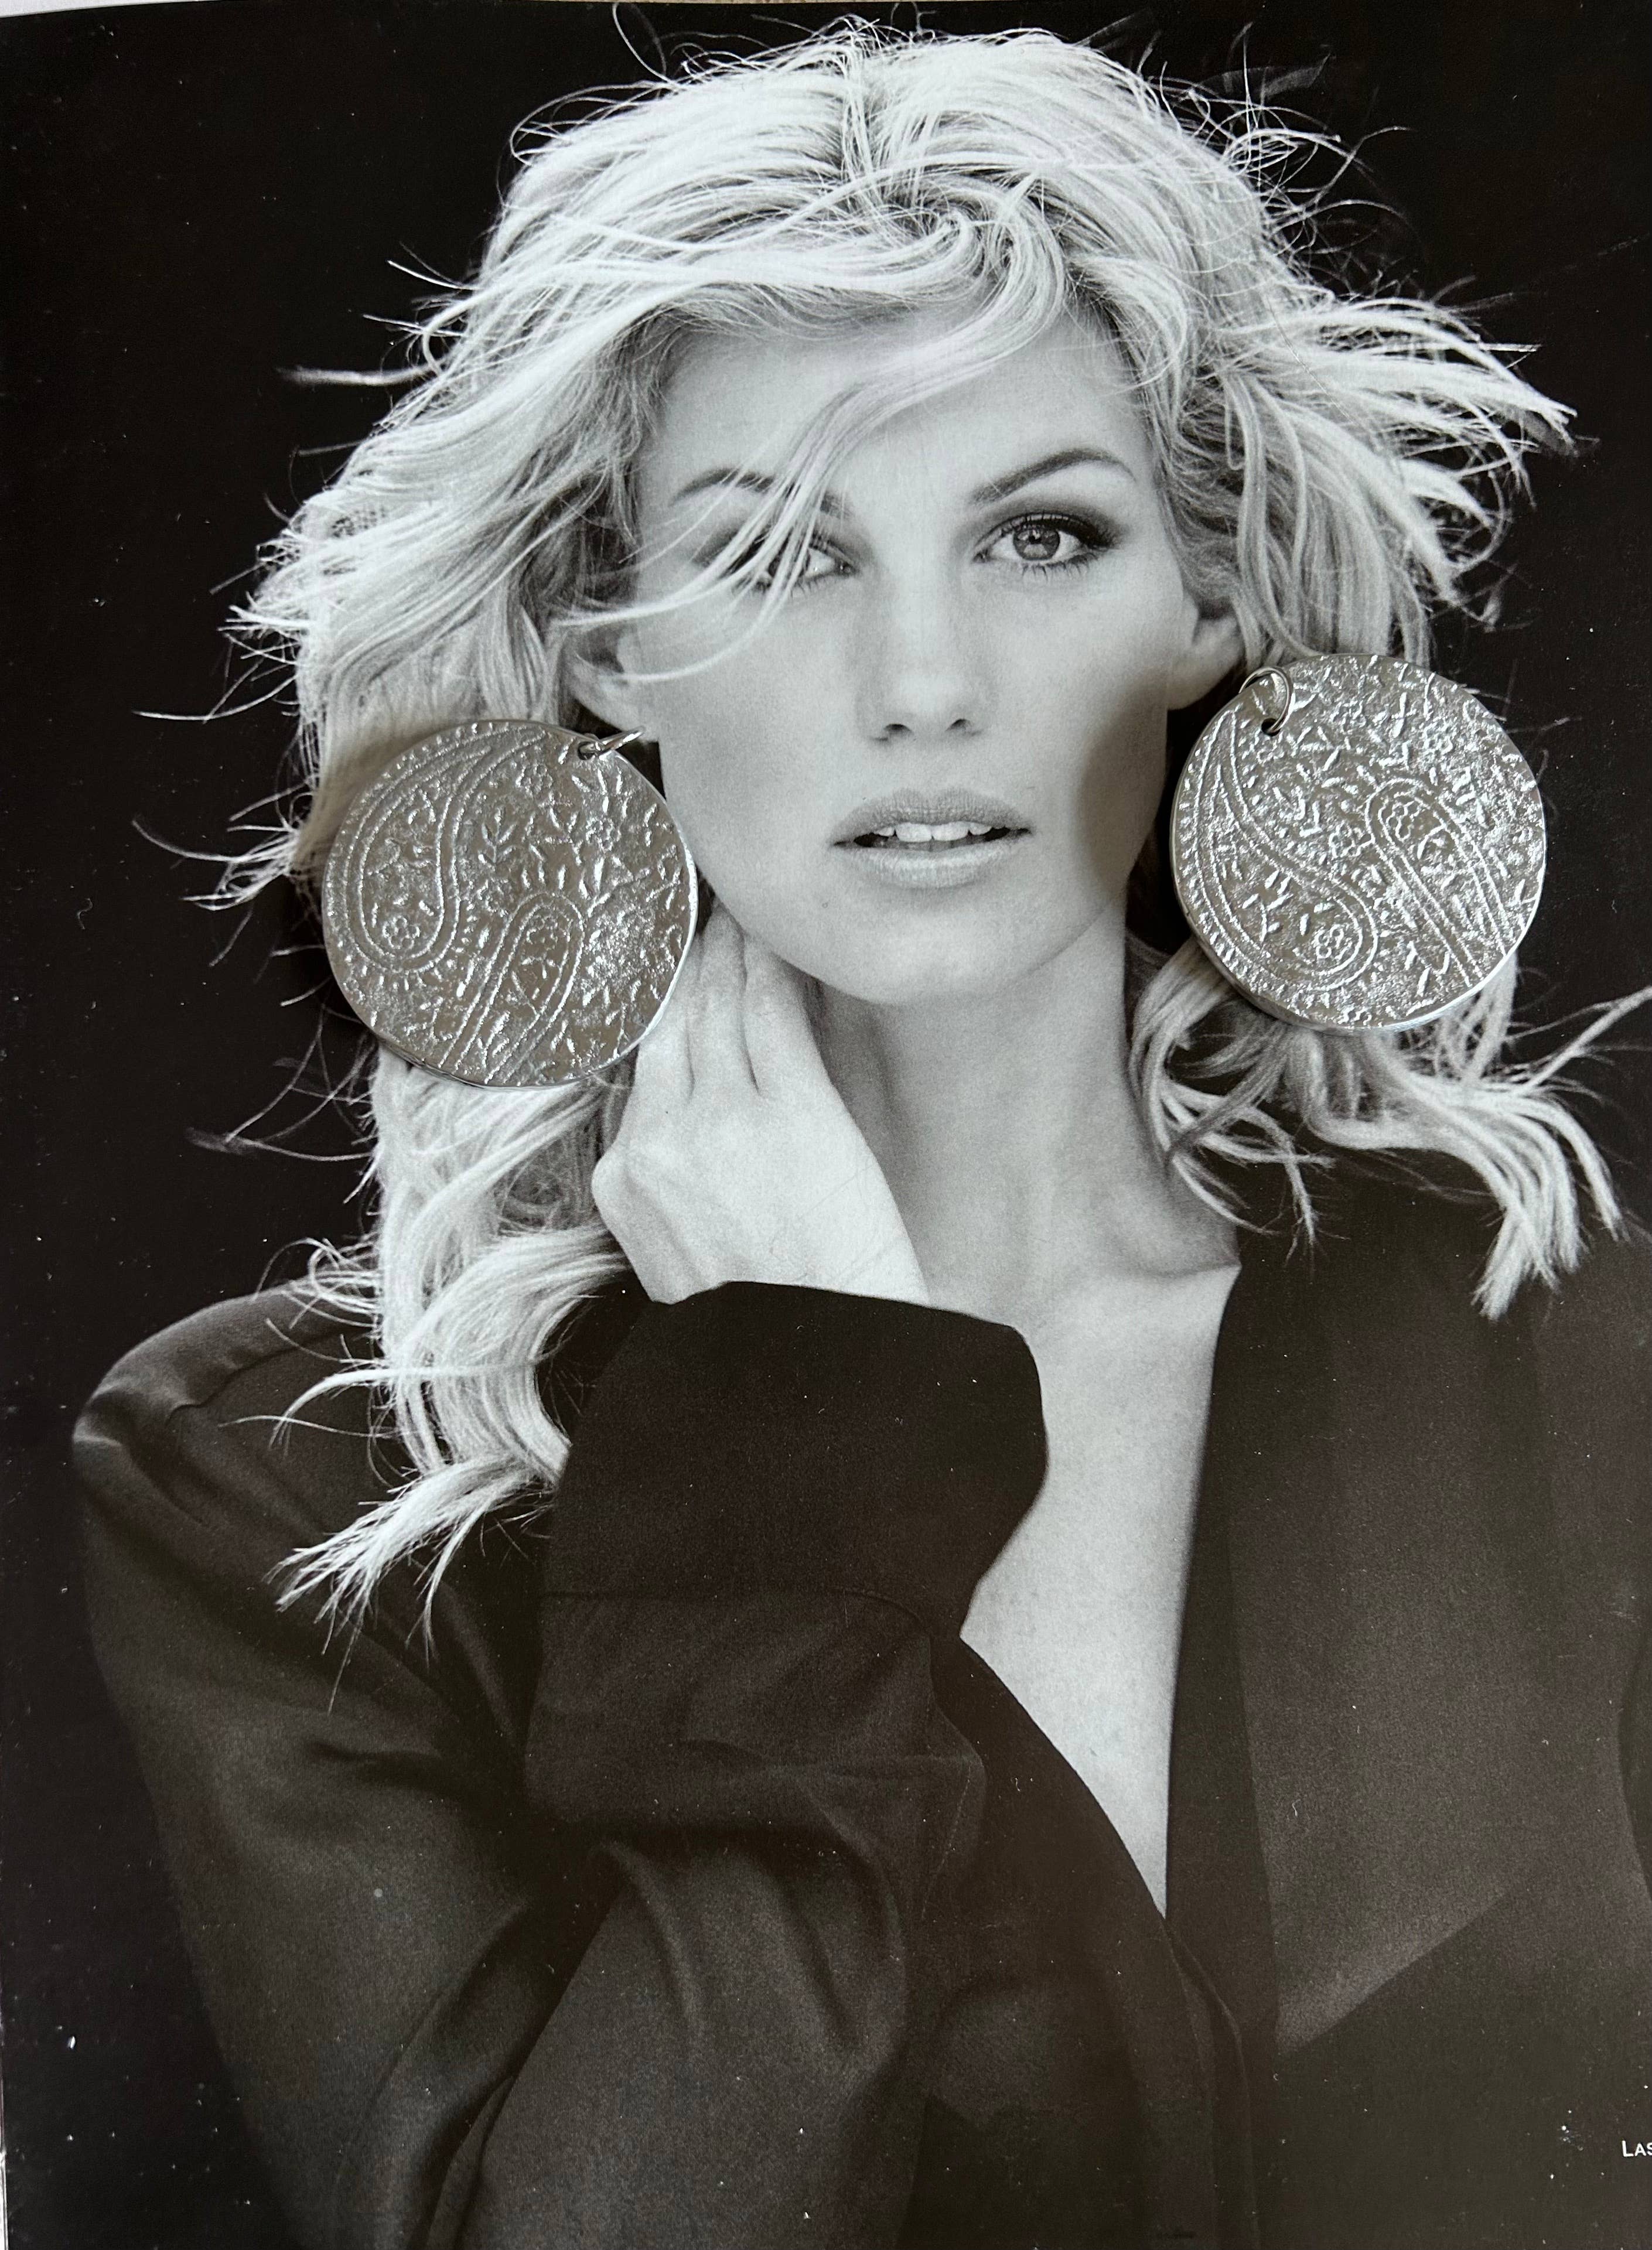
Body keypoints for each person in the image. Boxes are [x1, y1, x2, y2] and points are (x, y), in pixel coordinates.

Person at [72, 26, 1649, 2250]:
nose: (926, 679)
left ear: (1203, 598)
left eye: (1040, 533)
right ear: (601, 646)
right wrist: (800, 1431)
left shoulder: (1568, 1363)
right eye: (781, 553)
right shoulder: (280, 1486)